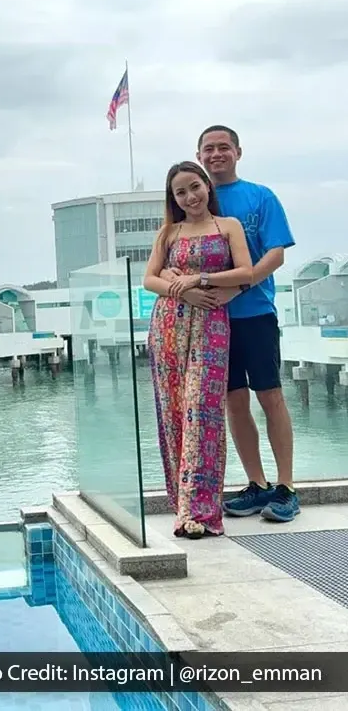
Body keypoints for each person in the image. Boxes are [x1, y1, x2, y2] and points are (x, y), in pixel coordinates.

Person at [162, 125, 299, 523]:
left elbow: (275, 255)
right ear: (199, 156)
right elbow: (170, 265)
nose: (217, 153)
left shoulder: (260, 197)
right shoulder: (191, 207)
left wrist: (239, 287)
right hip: (208, 323)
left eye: (224, 147)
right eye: (209, 148)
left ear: (238, 151)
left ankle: (286, 487)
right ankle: (256, 484)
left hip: (254, 313)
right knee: (234, 402)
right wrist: (180, 285)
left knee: (270, 396)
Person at [143, 161, 253, 539]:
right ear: (173, 198)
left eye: (195, 187)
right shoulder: (169, 233)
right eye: (180, 192)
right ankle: (184, 507)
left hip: (211, 327)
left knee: (203, 413)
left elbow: (246, 273)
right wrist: (181, 290)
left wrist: (199, 279)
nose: (190, 197)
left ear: (207, 185)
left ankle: (202, 512)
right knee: (175, 412)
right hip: (168, 327)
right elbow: (149, 280)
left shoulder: (228, 227)